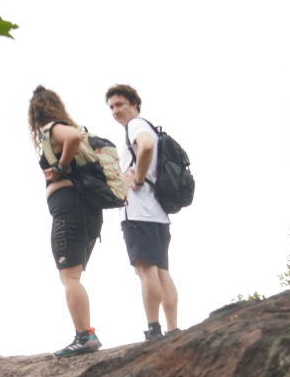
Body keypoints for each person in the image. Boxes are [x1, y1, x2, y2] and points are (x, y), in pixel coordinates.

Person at [28, 85, 103, 356]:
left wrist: (59, 168)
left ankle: (85, 335)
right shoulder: (63, 126)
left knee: (69, 277)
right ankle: (85, 333)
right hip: (87, 212)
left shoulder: (53, 128)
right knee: (74, 275)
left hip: (70, 210)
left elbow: (72, 137)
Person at [107, 83, 179, 340]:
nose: (115, 111)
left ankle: (154, 329)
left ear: (134, 104)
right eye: (111, 107)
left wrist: (136, 179)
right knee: (161, 271)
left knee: (146, 270)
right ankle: (173, 328)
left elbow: (145, 146)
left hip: (138, 211)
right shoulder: (145, 126)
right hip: (158, 212)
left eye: (119, 104)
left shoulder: (136, 126)